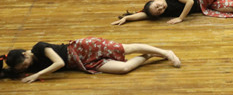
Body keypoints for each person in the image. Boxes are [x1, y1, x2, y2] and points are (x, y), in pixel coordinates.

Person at [0, 37, 180, 82]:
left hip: (84, 48)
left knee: (126, 49)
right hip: (83, 64)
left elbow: (59, 63)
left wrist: (37, 75)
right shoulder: (28, 65)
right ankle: (149, 55)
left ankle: (165, 52)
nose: (25, 68)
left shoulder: (39, 48)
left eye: (23, 64)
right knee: (123, 69)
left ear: (25, 54)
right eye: (22, 68)